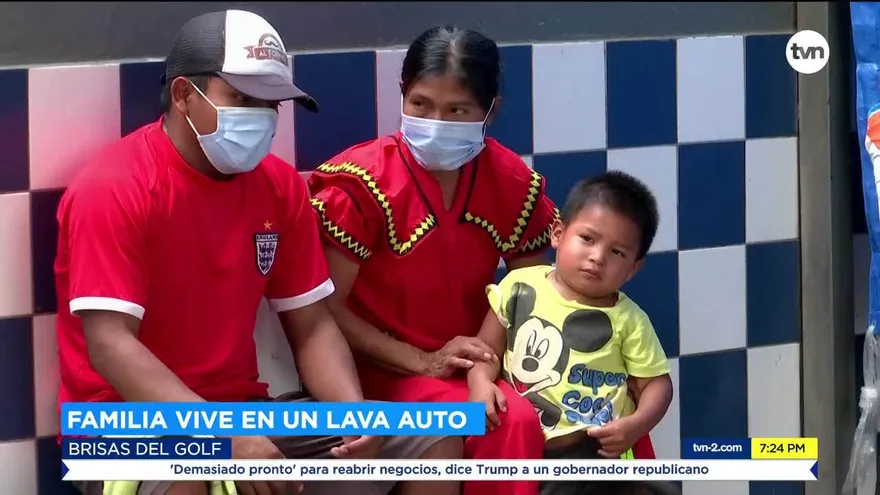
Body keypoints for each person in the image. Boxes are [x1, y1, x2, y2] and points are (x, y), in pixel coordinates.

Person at [55, 10, 460, 495]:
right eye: (242, 98)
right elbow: (110, 345)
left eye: (271, 103)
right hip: (120, 427)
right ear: (185, 95)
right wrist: (223, 438)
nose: (260, 116)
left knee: (433, 437)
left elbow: (311, 326)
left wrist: (355, 415)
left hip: (248, 413)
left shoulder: (279, 186)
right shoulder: (115, 187)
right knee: (188, 480)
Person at [306, 26, 554, 495]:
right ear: (402, 94)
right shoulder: (362, 182)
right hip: (373, 368)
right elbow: (325, 308)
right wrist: (423, 360)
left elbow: (532, 291)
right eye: (420, 104)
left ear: (491, 111)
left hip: (475, 366)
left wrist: (483, 364)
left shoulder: (511, 181)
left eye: (457, 110)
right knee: (465, 423)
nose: (436, 120)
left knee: (516, 419)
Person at [466, 171, 675, 495]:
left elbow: (657, 386)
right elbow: (485, 350)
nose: (597, 257)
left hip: (593, 455)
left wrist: (637, 425)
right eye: (587, 239)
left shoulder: (628, 320)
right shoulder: (519, 287)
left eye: (617, 252)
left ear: (634, 267)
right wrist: (479, 383)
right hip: (520, 446)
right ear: (558, 234)